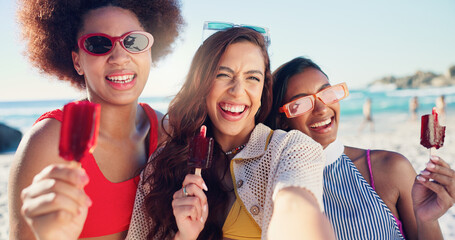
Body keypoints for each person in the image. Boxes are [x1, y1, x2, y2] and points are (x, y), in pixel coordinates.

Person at [126, 27, 334, 240]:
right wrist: (185, 236)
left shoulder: (292, 149)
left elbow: (297, 203)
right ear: (202, 82)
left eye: (252, 78)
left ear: (264, 89)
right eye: (223, 74)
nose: (237, 91)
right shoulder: (163, 163)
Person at [9, 1, 184, 239]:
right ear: (77, 61)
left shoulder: (167, 133)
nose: (120, 57)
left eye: (134, 41)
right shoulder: (47, 143)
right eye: (98, 45)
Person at [265, 56, 454, 240]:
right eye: (302, 103)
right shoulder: (270, 186)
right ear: (283, 119)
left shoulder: (391, 168)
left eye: (327, 93)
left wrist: (427, 221)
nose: (322, 109)